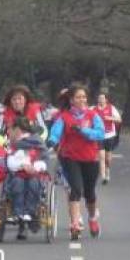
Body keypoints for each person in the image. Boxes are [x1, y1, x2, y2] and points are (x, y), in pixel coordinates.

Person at [48, 84, 105, 240]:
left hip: (90, 158)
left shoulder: (93, 116)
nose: (82, 100)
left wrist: (83, 131)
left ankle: (92, 217)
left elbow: (100, 134)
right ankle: (75, 223)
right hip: (70, 158)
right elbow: (55, 132)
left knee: (89, 193)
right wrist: (52, 141)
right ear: (72, 100)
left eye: (84, 97)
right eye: (78, 97)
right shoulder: (64, 117)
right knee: (76, 189)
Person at [7, 117, 49, 240]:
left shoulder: (37, 142)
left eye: (11, 129)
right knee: (17, 184)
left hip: (35, 174)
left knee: (33, 184)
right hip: (18, 174)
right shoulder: (13, 146)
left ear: (18, 130)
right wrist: (21, 165)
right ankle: (18, 213)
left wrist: (34, 167)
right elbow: (9, 161)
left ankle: (30, 212)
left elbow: (45, 160)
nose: (9, 132)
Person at [93, 93, 122, 185]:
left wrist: (110, 118)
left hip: (109, 135)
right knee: (101, 156)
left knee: (108, 158)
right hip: (99, 136)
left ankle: (107, 170)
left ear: (106, 100)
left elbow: (119, 119)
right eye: (99, 98)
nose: (101, 100)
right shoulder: (94, 109)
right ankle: (103, 176)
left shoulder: (111, 108)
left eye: (102, 98)